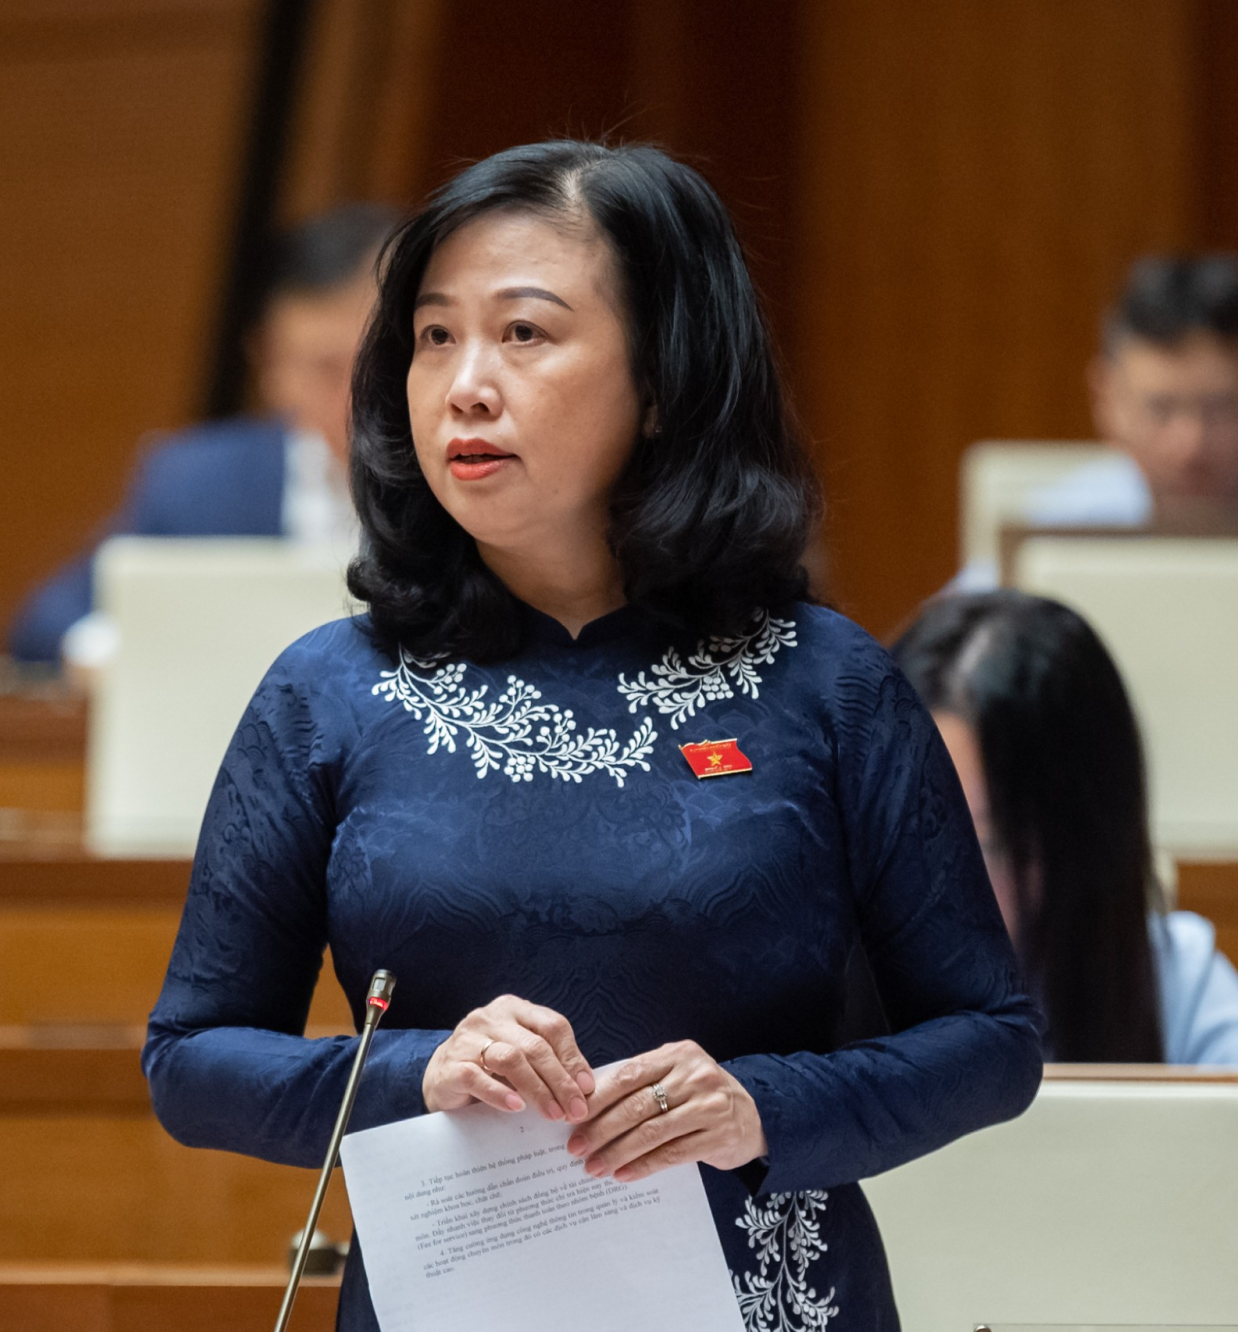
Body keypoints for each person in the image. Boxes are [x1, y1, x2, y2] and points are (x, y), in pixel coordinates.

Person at [142, 140, 1042, 1332]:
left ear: (663, 378)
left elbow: (990, 1042)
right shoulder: (326, 693)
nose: (463, 384)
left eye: (523, 334)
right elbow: (191, 1062)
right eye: (430, 336)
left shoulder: (826, 685)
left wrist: (758, 1105)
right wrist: (419, 1072)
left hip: (769, 1295)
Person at [5, 203, 397, 667]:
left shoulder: (473, 476)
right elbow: (46, 624)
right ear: (270, 363)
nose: (358, 395)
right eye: (326, 369)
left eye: (380, 361)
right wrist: (110, 653)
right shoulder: (198, 480)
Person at [894, 590, 1238, 1064]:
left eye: (992, 845)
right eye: (917, 829)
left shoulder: (1173, 987)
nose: (939, 887)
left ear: (1082, 844)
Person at [954, 253, 1238, 588]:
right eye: (1160, 409)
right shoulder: (1054, 539)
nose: (1189, 444)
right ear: (1108, 401)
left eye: (1222, 408)